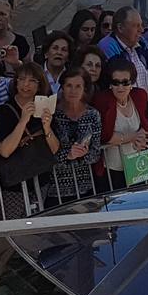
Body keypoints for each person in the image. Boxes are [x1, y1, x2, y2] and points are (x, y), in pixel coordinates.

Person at [0, 64, 60, 218]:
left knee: (37, 228)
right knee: (12, 225)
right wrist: (23, 121)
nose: (25, 85)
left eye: (32, 81)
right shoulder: (5, 110)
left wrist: (47, 127)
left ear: (39, 84)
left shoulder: (45, 107)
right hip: (15, 184)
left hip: (40, 178)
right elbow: (4, 150)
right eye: (21, 79)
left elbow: (55, 149)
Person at [93, 59, 148, 190]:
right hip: (111, 169)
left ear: (131, 83)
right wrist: (132, 137)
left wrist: (142, 137)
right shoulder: (102, 100)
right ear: (110, 84)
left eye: (125, 82)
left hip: (138, 165)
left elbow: (146, 126)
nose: (120, 87)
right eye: (116, 83)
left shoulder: (140, 95)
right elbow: (105, 136)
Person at [50, 72, 102, 200]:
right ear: (62, 87)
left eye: (78, 86)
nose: (73, 90)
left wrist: (83, 154)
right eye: (69, 85)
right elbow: (47, 151)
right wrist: (68, 154)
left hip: (85, 186)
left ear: (84, 89)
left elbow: (96, 152)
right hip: (56, 187)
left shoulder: (93, 114)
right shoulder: (53, 114)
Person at [97, 6, 148, 92]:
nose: (141, 30)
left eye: (141, 25)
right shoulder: (107, 47)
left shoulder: (142, 44)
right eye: (136, 26)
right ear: (120, 28)